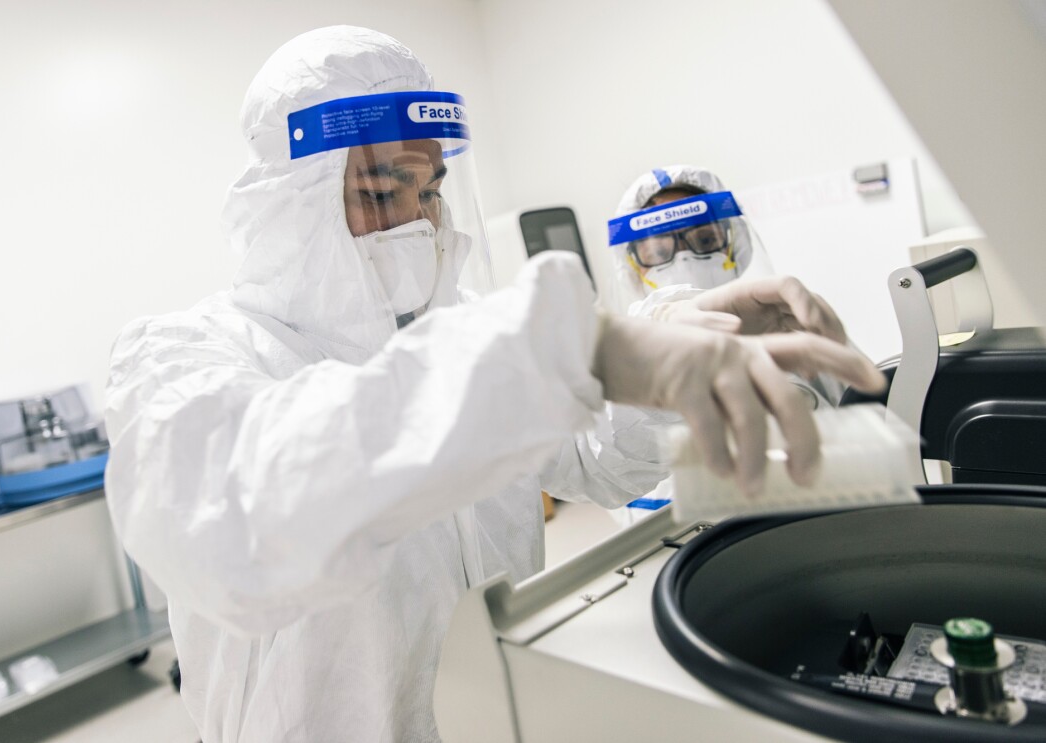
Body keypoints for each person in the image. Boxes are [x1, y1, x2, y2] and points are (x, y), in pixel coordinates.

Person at [103, 26, 885, 742]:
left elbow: (592, 455)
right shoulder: (182, 356)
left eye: (431, 191)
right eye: (383, 191)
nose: (419, 221)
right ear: (289, 200)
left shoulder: (462, 333)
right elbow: (241, 517)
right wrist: (551, 356)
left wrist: (678, 346)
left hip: (509, 712)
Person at [600, 165, 853, 524]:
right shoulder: (622, 374)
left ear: (735, 244)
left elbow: (868, 419)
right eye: (658, 249)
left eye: (704, 241)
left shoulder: (794, 325)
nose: (684, 258)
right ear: (632, 267)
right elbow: (606, 468)